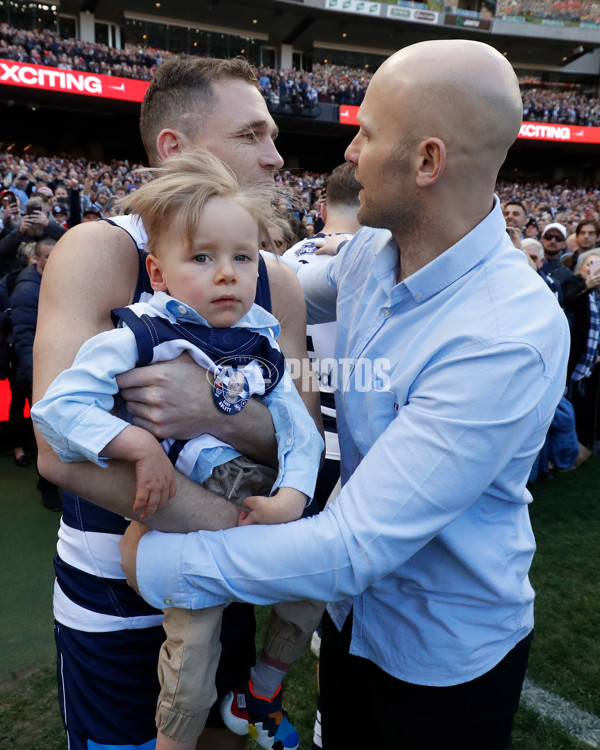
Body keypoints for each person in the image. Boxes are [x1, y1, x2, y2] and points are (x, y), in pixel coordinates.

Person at [121, 39, 570, 750]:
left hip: (439, 658)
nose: (350, 152)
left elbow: (353, 546)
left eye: (367, 132)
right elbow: (268, 275)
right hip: (352, 622)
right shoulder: (370, 253)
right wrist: (171, 244)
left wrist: (166, 564)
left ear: (427, 162)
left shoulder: (503, 333)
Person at [33, 56, 321, 750]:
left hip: (232, 580)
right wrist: (247, 531)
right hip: (115, 596)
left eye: (274, 136)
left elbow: (300, 434)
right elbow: (57, 452)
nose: (277, 157)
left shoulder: (275, 279)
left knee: (219, 734)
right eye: (253, 135)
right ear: (175, 149)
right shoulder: (99, 251)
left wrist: (208, 408)